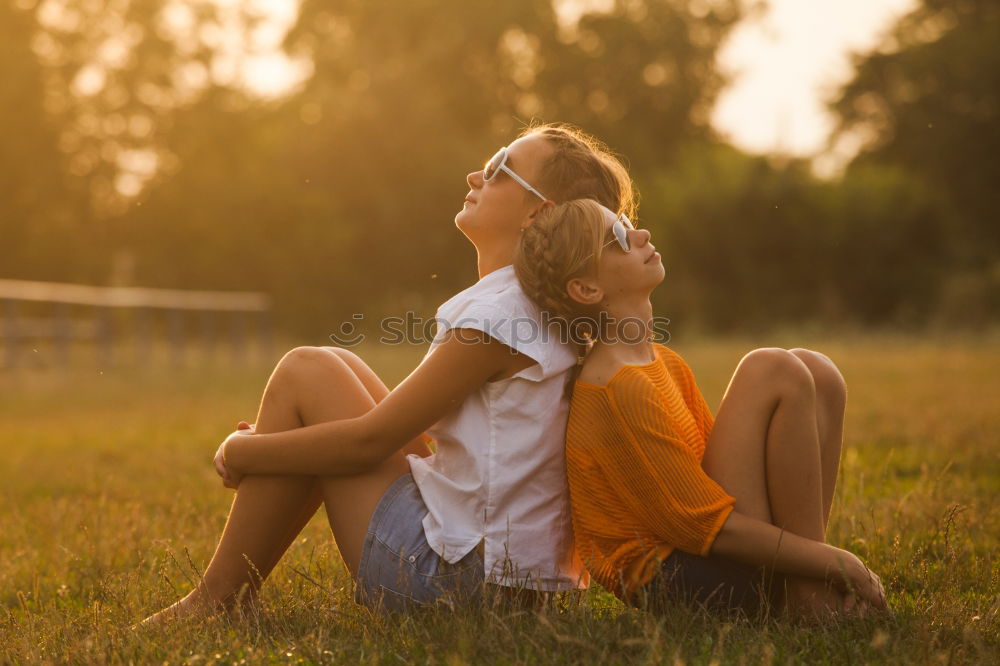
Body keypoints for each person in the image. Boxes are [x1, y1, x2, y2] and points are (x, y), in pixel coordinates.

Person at [142, 125, 637, 621]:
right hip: (510, 584)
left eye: (497, 169)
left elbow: (367, 443)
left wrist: (244, 451)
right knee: (339, 366)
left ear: (538, 212)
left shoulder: (501, 316)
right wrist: (295, 443)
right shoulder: (538, 309)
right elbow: (408, 425)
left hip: (456, 584)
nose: (474, 175)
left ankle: (215, 600)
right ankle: (227, 596)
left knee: (306, 370)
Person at [513, 199, 888, 618]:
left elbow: (730, 479)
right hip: (681, 575)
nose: (641, 235)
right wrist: (840, 562)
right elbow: (702, 527)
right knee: (771, 368)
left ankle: (805, 588)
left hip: (711, 550)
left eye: (627, 223)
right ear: (586, 289)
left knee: (819, 371)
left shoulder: (663, 363)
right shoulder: (615, 387)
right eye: (617, 238)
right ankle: (810, 593)